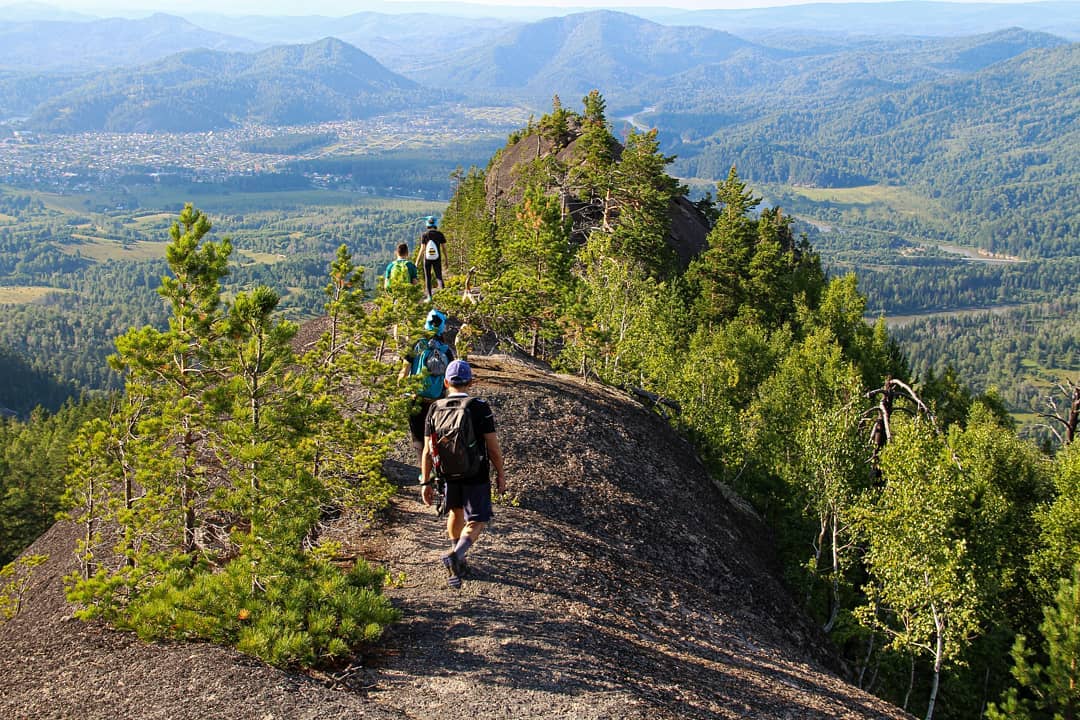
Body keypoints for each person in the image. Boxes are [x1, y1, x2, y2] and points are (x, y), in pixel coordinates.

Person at [421, 359, 506, 588]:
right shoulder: (479, 407)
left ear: (446, 382)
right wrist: (500, 474)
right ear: (471, 382)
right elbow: (492, 447)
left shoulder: (435, 408)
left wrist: (425, 482)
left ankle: (458, 557)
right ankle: (457, 555)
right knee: (477, 519)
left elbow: (428, 451)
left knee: (455, 513)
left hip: (447, 474)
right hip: (475, 473)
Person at [402, 308, 454, 472]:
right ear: (442, 327)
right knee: (434, 435)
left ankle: (424, 472)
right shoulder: (447, 351)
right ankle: (439, 468)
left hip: (416, 398)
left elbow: (403, 373)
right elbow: (450, 380)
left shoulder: (417, 345)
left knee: (418, 437)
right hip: (437, 401)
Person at [416, 216, 447, 302]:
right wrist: (446, 259)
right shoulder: (440, 234)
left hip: (427, 258)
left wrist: (417, 262)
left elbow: (422, 249)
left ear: (427, 224)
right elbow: (444, 248)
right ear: (435, 224)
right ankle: (444, 296)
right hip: (437, 258)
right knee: (439, 277)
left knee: (428, 277)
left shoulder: (425, 235)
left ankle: (429, 297)